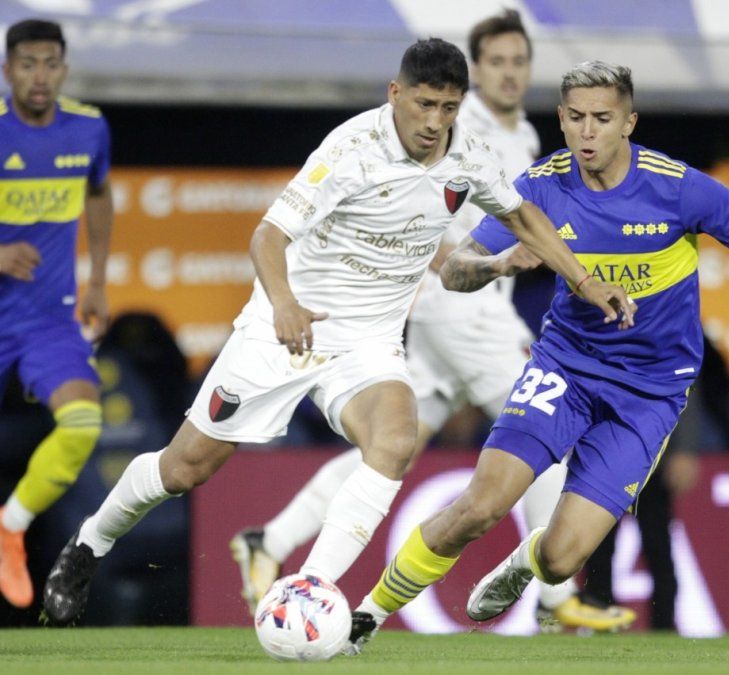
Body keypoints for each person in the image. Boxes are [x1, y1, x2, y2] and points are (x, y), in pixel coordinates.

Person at [341, 60, 729, 654]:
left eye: (602, 119)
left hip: (649, 394)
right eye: (575, 118)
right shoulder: (540, 187)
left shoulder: (677, 188)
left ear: (629, 122)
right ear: (560, 118)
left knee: (563, 558)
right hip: (564, 370)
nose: (586, 132)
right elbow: (453, 271)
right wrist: (499, 264)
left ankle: (527, 562)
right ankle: (365, 616)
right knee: (480, 505)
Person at [41, 38, 633, 628]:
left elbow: (522, 215)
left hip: (370, 340)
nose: (434, 122)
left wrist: (583, 280)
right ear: (395, 94)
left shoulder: (468, 156)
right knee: (184, 468)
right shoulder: (351, 149)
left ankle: (310, 592)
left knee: (395, 441)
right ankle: (87, 546)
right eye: (423, 104)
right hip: (290, 324)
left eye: (448, 107)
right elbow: (267, 237)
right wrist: (285, 305)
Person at [229, 11, 634, 634]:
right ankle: (554, 601)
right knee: (547, 431)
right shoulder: (450, 125)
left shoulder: (521, 133)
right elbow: (429, 219)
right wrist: (491, 263)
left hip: (465, 314)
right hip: (459, 310)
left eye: (518, 62)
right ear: (472, 78)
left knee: (393, 445)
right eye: (496, 63)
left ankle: (269, 537)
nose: (509, 73)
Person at [0, 19, 112, 610]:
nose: (38, 76)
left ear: (63, 70)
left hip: (48, 322)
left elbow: (97, 193)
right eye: (26, 64)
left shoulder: (89, 128)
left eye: (49, 64)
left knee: (82, 424)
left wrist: (96, 279)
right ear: (6, 70)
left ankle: (10, 525)